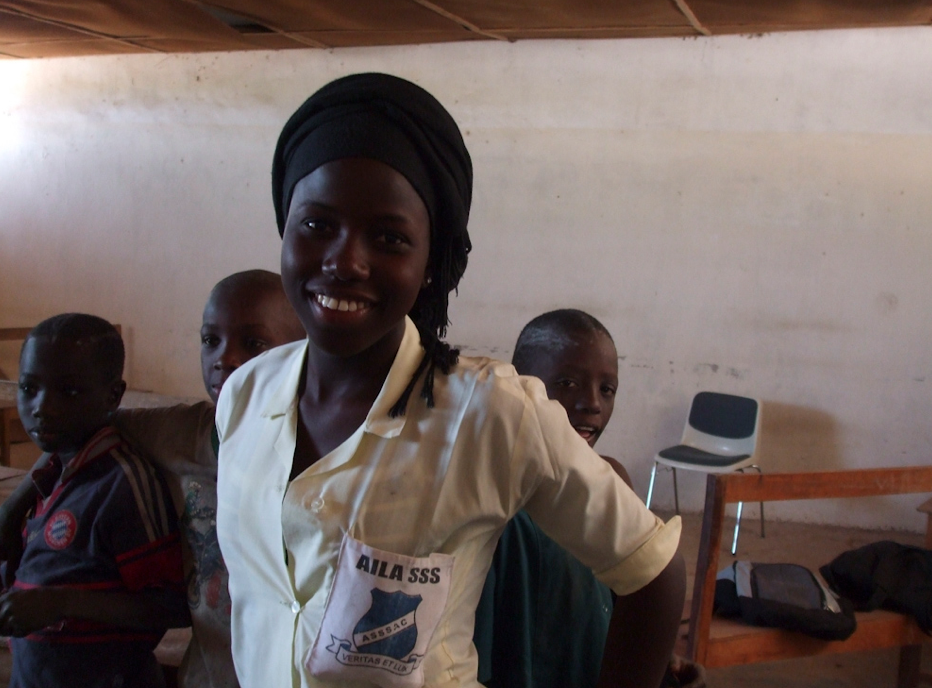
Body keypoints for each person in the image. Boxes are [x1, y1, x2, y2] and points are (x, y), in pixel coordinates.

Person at [214, 72, 686, 688]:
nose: (345, 260)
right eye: (317, 225)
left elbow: (652, 572)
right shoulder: (245, 395)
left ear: (432, 263)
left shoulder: (488, 412)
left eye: (389, 238)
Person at [0, 271, 306, 688]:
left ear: (303, 350)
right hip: (210, 676)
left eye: (253, 344)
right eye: (210, 340)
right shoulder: (183, 432)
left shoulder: (322, 447)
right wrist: (13, 507)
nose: (225, 358)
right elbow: (77, 427)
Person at [474, 309, 705, 688]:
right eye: (567, 383)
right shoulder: (495, 508)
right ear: (519, 388)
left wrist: (661, 661)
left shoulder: (614, 480)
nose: (592, 403)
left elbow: (624, 603)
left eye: (607, 389)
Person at [0, 313, 189, 688]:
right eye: (28, 388)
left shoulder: (122, 483)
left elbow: (172, 605)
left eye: (69, 392)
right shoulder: (48, 476)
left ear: (113, 396)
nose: (42, 407)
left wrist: (62, 602)